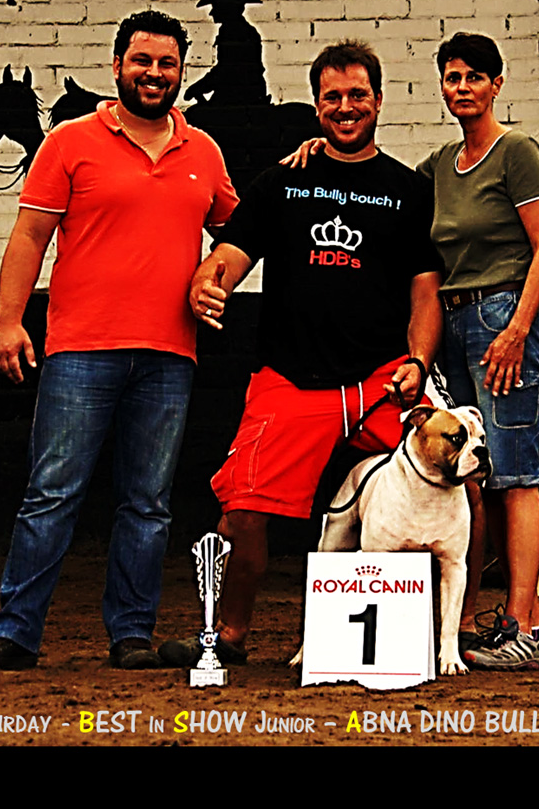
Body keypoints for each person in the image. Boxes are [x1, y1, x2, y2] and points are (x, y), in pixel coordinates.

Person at [0, 9, 238, 672]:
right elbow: (30, 235)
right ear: (117, 67)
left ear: (181, 72)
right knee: (52, 494)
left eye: (167, 64)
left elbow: (239, 233)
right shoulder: (70, 140)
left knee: (148, 503)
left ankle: (132, 634)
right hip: (80, 348)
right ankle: (15, 634)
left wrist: (212, 274)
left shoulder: (203, 151)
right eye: (142, 61)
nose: (154, 73)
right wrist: (8, 321)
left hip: (170, 353)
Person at [157, 40, 443, 667]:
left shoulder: (408, 190)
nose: (346, 107)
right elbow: (228, 256)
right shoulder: (281, 182)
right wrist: (207, 283)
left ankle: (459, 633)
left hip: (380, 380)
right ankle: (228, 636)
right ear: (317, 106)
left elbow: (425, 293)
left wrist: (417, 363)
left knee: (459, 483)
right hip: (290, 380)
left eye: (357, 95)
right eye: (333, 97)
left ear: (379, 101)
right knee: (241, 512)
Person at [420, 33, 539, 671]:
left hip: (502, 316)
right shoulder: (439, 165)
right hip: (453, 321)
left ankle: (523, 628)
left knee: (516, 473)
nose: (463, 88)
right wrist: (319, 152)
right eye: (453, 77)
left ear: (496, 84)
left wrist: (517, 331)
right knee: (482, 473)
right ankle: (525, 621)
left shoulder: (517, 153)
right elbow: (388, 192)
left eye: (475, 77)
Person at [184, 0, 271, 107]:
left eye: (215, 6)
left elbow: (226, 71)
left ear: (227, 7)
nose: (211, 12)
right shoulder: (240, 31)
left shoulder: (235, 33)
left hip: (239, 99)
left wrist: (199, 87)